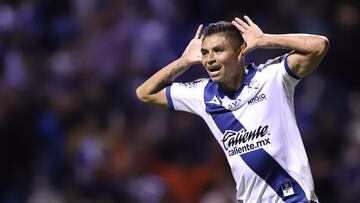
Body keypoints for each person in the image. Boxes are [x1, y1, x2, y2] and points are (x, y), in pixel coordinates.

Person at [136, 15, 329, 203]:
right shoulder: (202, 94)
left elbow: (319, 46)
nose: (209, 59)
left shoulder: (272, 77)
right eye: (205, 53)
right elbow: (145, 92)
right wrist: (184, 61)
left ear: (240, 52)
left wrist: (265, 40)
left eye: (218, 50)